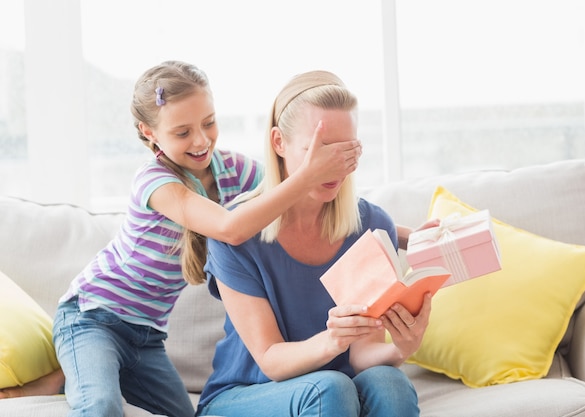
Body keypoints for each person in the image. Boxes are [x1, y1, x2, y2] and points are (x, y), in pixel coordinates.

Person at [50, 61, 361, 417]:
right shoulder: (155, 182)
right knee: (101, 406)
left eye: (209, 123)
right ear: (148, 132)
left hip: (147, 337)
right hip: (93, 316)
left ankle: (67, 375)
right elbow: (231, 228)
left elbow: (291, 195)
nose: (200, 140)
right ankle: (83, 362)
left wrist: (401, 235)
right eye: (182, 133)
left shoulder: (233, 171)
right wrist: (307, 175)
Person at [197, 70, 432, 417]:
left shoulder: (370, 225)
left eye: (345, 150)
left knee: (390, 383)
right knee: (329, 388)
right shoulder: (237, 235)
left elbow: (363, 355)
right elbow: (270, 359)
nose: (334, 166)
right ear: (279, 143)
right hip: (247, 394)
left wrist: (402, 347)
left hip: (335, 391)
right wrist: (331, 340)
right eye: (319, 151)